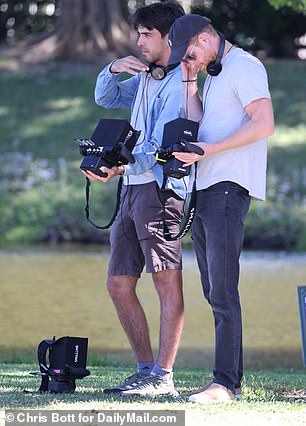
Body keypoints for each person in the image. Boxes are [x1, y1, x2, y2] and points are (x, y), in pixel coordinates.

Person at [167, 14, 274, 403]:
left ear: (206, 37)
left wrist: (210, 151)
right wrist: (190, 79)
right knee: (214, 290)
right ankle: (228, 380)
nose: (189, 58)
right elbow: (197, 125)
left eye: (191, 51)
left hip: (229, 187)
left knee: (224, 291)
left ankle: (224, 384)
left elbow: (264, 124)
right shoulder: (215, 73)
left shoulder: (245, 66)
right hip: (206, 187)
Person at [82, 1, 186, 397]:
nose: (139, 41)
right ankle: (145, 370)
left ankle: (163, 376)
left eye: (147, 35)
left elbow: (162, 145)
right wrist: (111, 69)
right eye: (138, 34)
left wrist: (119, 168)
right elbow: (107, 100)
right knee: (119, 283)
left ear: (169, 38)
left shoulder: (180, 85)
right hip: (133, 188)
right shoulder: (147, 76)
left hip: (159, 190)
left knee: (166, 283)